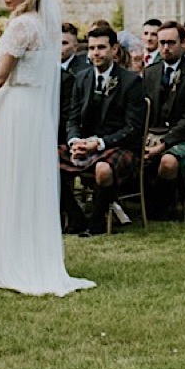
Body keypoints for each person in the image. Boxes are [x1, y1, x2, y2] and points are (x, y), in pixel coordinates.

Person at [0, 0, 95, 296]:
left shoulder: (21, 26)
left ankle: (14, 262)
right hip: (34, 110)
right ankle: (29, 256)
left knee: (14, 180)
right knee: (28, 182)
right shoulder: (43, 26)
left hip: (17, 107)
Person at [59, 22, 145, 234]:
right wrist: (75, 142)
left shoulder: (131, 82)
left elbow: (133, 128)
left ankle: (97, 221)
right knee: (46, 162)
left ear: (114, 50)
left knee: (103, 169)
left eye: (101, 47)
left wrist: (99, 144)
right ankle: (76, 217)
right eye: (91, 48)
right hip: (86, 143)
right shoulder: (82, 78)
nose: (95, 53)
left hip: (120, 147)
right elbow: (73, 119)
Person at [142, 20, 185, 216]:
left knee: (168, 162)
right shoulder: (150, 72)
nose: (165, 48)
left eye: (171, 43)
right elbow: (142, 111)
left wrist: (163, 145)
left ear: (183, 43)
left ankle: (161, 209)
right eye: (162, 42)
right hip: (153, 133)